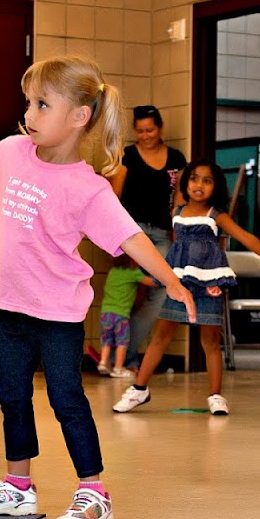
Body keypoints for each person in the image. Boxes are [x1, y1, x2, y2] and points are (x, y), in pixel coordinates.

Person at [0, 55, 196, 519]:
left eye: (42, 104)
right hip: (10, 304)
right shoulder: (13, 152)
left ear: (80, 117)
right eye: (29, 103)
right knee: (12, 396)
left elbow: (131, 239)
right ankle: (18, 488)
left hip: (58, 312)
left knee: (67, 400)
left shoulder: (88, 188)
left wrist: (170, 279)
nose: (29, 114)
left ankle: (95, 493)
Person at [113, 159, 260, 416]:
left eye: (207, 180)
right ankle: (139, 389)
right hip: (180, 282)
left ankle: (215, 396)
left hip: (209, 283)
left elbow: (247, 237)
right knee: (161, 336)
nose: (199, 185)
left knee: (211, 341)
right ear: (186, 183)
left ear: (216, 186)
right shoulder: (176, 213)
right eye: (194, 179)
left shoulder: (217, 216)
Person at [108, 105, 188, 369]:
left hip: (163, 232)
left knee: (164, 289)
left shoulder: (176, 159)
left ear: (160, 128)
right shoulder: (127, 157)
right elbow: (114, 197)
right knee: (125, 291)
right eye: (140, 131)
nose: (146, 135)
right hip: (133, 233)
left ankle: (125, 352)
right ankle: (121, 358)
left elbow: (178, 200)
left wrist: (178, 234)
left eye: (150, 129)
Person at [98, 255, 155, 378]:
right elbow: (150, 282)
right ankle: (118, 368)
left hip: (106, 313)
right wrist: (165, 279)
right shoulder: (133, 272)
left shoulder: (112, 272)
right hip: (121, 315)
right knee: (122, 342)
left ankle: (103, 362)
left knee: (107, 339)